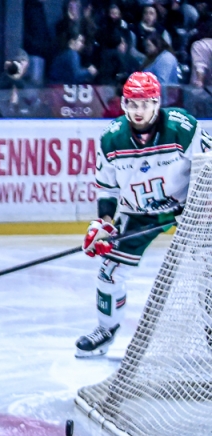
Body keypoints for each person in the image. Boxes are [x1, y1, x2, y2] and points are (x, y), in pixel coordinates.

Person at [76, 71, 211, 357]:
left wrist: (200, 207)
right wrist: (104, 225)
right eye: (132, 104)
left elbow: (209, 167)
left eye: (145, 104)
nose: (138, 111)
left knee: (208, 271)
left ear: (157, 103)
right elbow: (108, 189)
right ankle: (105, 330)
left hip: (190, 208)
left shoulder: (182, 127)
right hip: (141, 213)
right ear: (124, 104)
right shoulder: (111, 139)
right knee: (110, 272)